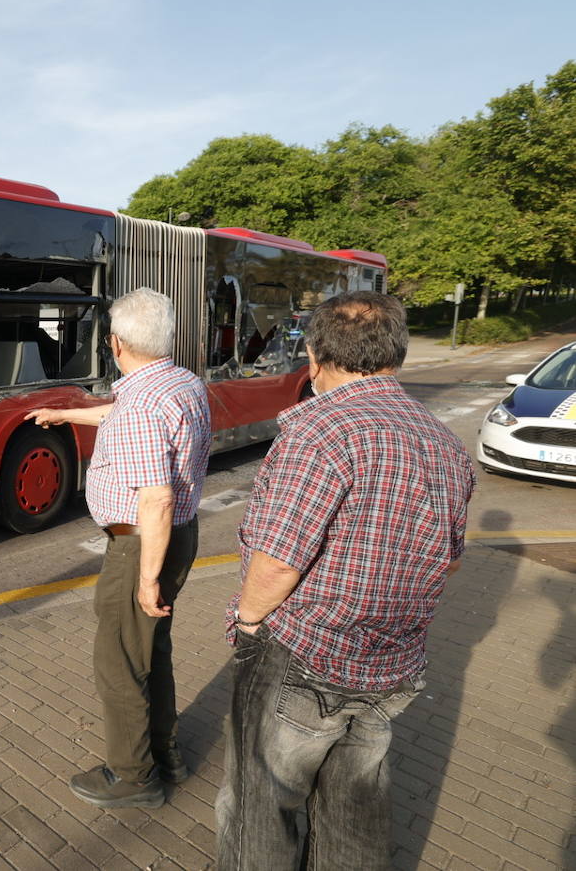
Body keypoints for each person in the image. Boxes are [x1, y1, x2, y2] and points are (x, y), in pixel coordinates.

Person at [215, 291, 475, 871]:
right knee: (354, 810)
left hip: (303, 655)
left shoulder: (317, 432)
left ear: (314, 354)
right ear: (397, 354)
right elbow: (449, 561)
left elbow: (279, 562)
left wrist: (249, 621)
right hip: (393, 662)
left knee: (262, 806)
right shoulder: (445, 444)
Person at [25, 287, 211, 810]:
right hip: (180, 534)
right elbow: (122, 413)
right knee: (154, 649)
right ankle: (165, 752)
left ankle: (132, 777)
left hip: (140, 544)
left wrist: (145, 579)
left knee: (119, 661)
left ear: (116, 342)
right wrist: (69, 415)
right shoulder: (180, 384)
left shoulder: (140, 406)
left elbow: (154, 497)